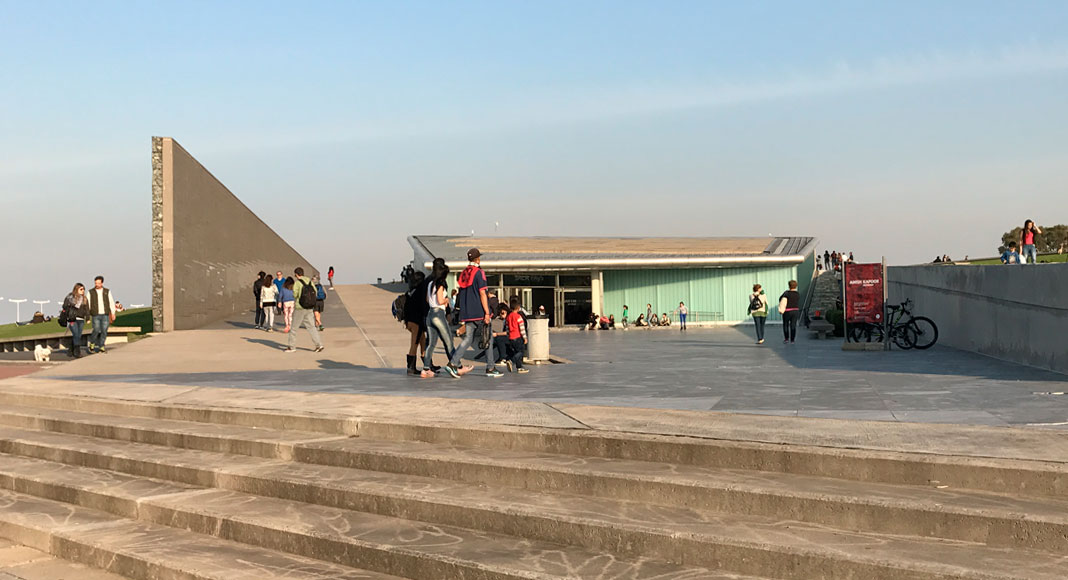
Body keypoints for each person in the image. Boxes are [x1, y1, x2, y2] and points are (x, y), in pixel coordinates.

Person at [446, 248, 500, 378]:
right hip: (479, 312)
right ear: (478, 259)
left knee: (468, 339)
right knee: (488, 338)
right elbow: (482, 293)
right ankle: (490, 368)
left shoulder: (464, 273)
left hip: (467, 313)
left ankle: (453, 363)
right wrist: (487, 312)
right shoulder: (479, 273)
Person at [421, 258, 454, 379]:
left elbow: (426, 300)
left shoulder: (429, 283)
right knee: (448, 341)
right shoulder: (441, 284)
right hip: (438, 314)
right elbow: (440, 300)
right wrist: (447, 300)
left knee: (431, 344)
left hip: (429, 314)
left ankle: (425, 369)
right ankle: (456, 365)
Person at [284, 267, 324, 353]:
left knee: (294, 328)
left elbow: (295, 295)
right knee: (312, 327)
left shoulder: (298, 283)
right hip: (309, 307)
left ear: (296, 274)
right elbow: (315, 292)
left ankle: (292, 347)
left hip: (300, 307)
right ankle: (319, 345)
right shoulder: (310, 281)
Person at [402, 271, 429, 375]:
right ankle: (411, 368)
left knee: (422, 341)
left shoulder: (410, 292)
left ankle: (427, 364)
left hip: (409, 321)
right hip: (416, 322)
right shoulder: (420, 291)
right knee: (414, 344)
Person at [87, 276, 116, 354]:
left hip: (105, 314)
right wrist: (87, 315)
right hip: (95, 314)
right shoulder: (90, 292)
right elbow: (88, 303)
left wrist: (113, 313)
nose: (97, 284)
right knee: (96, 329)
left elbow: (111, 302)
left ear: (102, 283)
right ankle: (92, 343)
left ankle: (102, 346)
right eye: (96, 283)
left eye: (98, 283)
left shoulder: (107, 291)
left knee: (104, 330)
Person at [63, 283, 89, 358]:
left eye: (84, 289)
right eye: (81, 289)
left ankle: (70, 349)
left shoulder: (84, 298)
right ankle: (77, 352)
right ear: (76, 289)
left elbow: (87, 309)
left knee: (78, 335)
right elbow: (65, 306)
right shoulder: (71, 297)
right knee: (76, 334)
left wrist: (87, 318)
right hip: (72, 319)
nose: (83, 291)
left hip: (81, 319)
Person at [505, 298, 529, 373]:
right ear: (518, 307)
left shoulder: (508, 317)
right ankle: (511, 361)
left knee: (516, 352)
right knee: (521, 352)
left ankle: (519, 367)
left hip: (511, 338)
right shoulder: (518, 317)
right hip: (517, 337)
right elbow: (522, 328)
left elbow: (507, 328)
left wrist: (508, 335)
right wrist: (525, 338)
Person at [491, 304, 511, 369]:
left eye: (502, 313)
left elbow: (508, 332)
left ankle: (503, 358)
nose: (501, 315)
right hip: (512, 337)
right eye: (500, 313)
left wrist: (497, 334)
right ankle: (504, 357)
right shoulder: (505, 319)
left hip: (513, 337)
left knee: (499, 339)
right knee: (499, 338)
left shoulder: (508, 319)